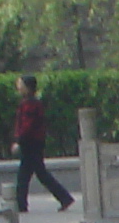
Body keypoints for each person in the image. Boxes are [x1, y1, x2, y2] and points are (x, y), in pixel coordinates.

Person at [11, 75, 74, 213]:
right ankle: (64, 198)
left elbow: (27, 126)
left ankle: (21, 205)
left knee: (26, 175)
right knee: (37, 174)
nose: (18, 87)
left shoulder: (29, 105)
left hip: (30, 144)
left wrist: (19, 141)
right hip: (35, 143)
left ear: (27, 87)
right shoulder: (32, 103)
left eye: (20, 84)